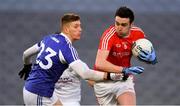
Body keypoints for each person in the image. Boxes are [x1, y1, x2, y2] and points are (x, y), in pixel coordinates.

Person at [18, 13, 144, 105]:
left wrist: (27, 65)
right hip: (40, 93)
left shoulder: (48, 39)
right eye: (76, 26)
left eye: (80, 26)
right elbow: (86, 74)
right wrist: (114, 76)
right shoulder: (67, 49)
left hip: (38, 90)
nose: (80, 29)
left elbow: (26, 54)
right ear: (67, 29)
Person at [90, 6, 157, 105]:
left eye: (123, 25)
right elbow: (99, 63)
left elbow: (141, 51)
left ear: (131, 25)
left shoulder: (138, 34)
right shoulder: (108, 36)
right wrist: (124, 69)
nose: (119, 27)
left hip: (123, 79)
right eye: (117, 23)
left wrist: (151, 58)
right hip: (104, 81)